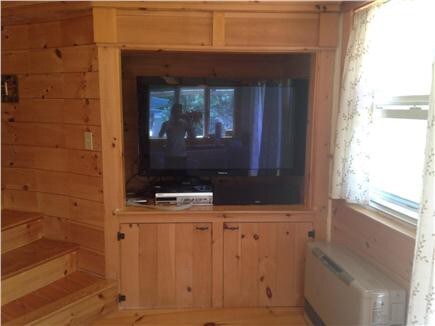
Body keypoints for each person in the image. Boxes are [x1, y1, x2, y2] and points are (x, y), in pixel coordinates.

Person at [159, 104, 195, 170]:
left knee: (182, 176)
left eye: (179, 111)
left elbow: (192, 137)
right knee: (169, 176)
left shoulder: (184, 123)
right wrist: (163, 145)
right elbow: (160, 136)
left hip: (182, 155)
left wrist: (189, 120)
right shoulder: (165, 124)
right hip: (169, 155)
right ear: (172, 112)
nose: (178, 113)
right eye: (176, 111)